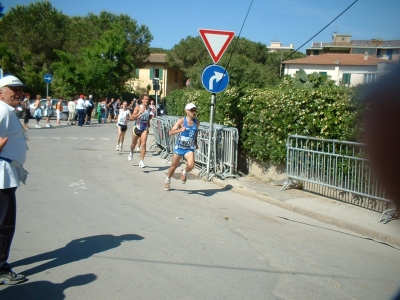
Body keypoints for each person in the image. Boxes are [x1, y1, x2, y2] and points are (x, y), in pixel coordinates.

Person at [0, 75, 29, 285]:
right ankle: (1, 268)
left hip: (7, 173)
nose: (19, 93)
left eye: (20, 90)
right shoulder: (2, 111)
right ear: (1, 92)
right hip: (2, 177)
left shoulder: (8, 111)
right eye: (14, 89)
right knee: (5, 224)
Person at [164, 103, 200, 191]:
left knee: (191, 165)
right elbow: (170, 132)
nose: (193, 112)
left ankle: (184, 172)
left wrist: (195, 142)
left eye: (194, 110)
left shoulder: (197, 122)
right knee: (173, 166)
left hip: (189, 148)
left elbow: (195, 133)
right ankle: (167, 180)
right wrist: (180, 130)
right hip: (179, 147)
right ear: (186, 111)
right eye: (191, 110)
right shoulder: (181, 121)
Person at [127, 94, 153, 168]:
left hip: (144, 128)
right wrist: (140, 113)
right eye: (145, 99)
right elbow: (131, 118)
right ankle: (131, 152)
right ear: (142, 100)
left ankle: (141, 161)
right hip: (137, 128)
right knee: (133, 144)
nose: (147, 101)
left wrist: (148, 122)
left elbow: (148, 117)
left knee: (144, 143)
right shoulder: (138, 107)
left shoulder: (149, 108)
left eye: (148, 99)